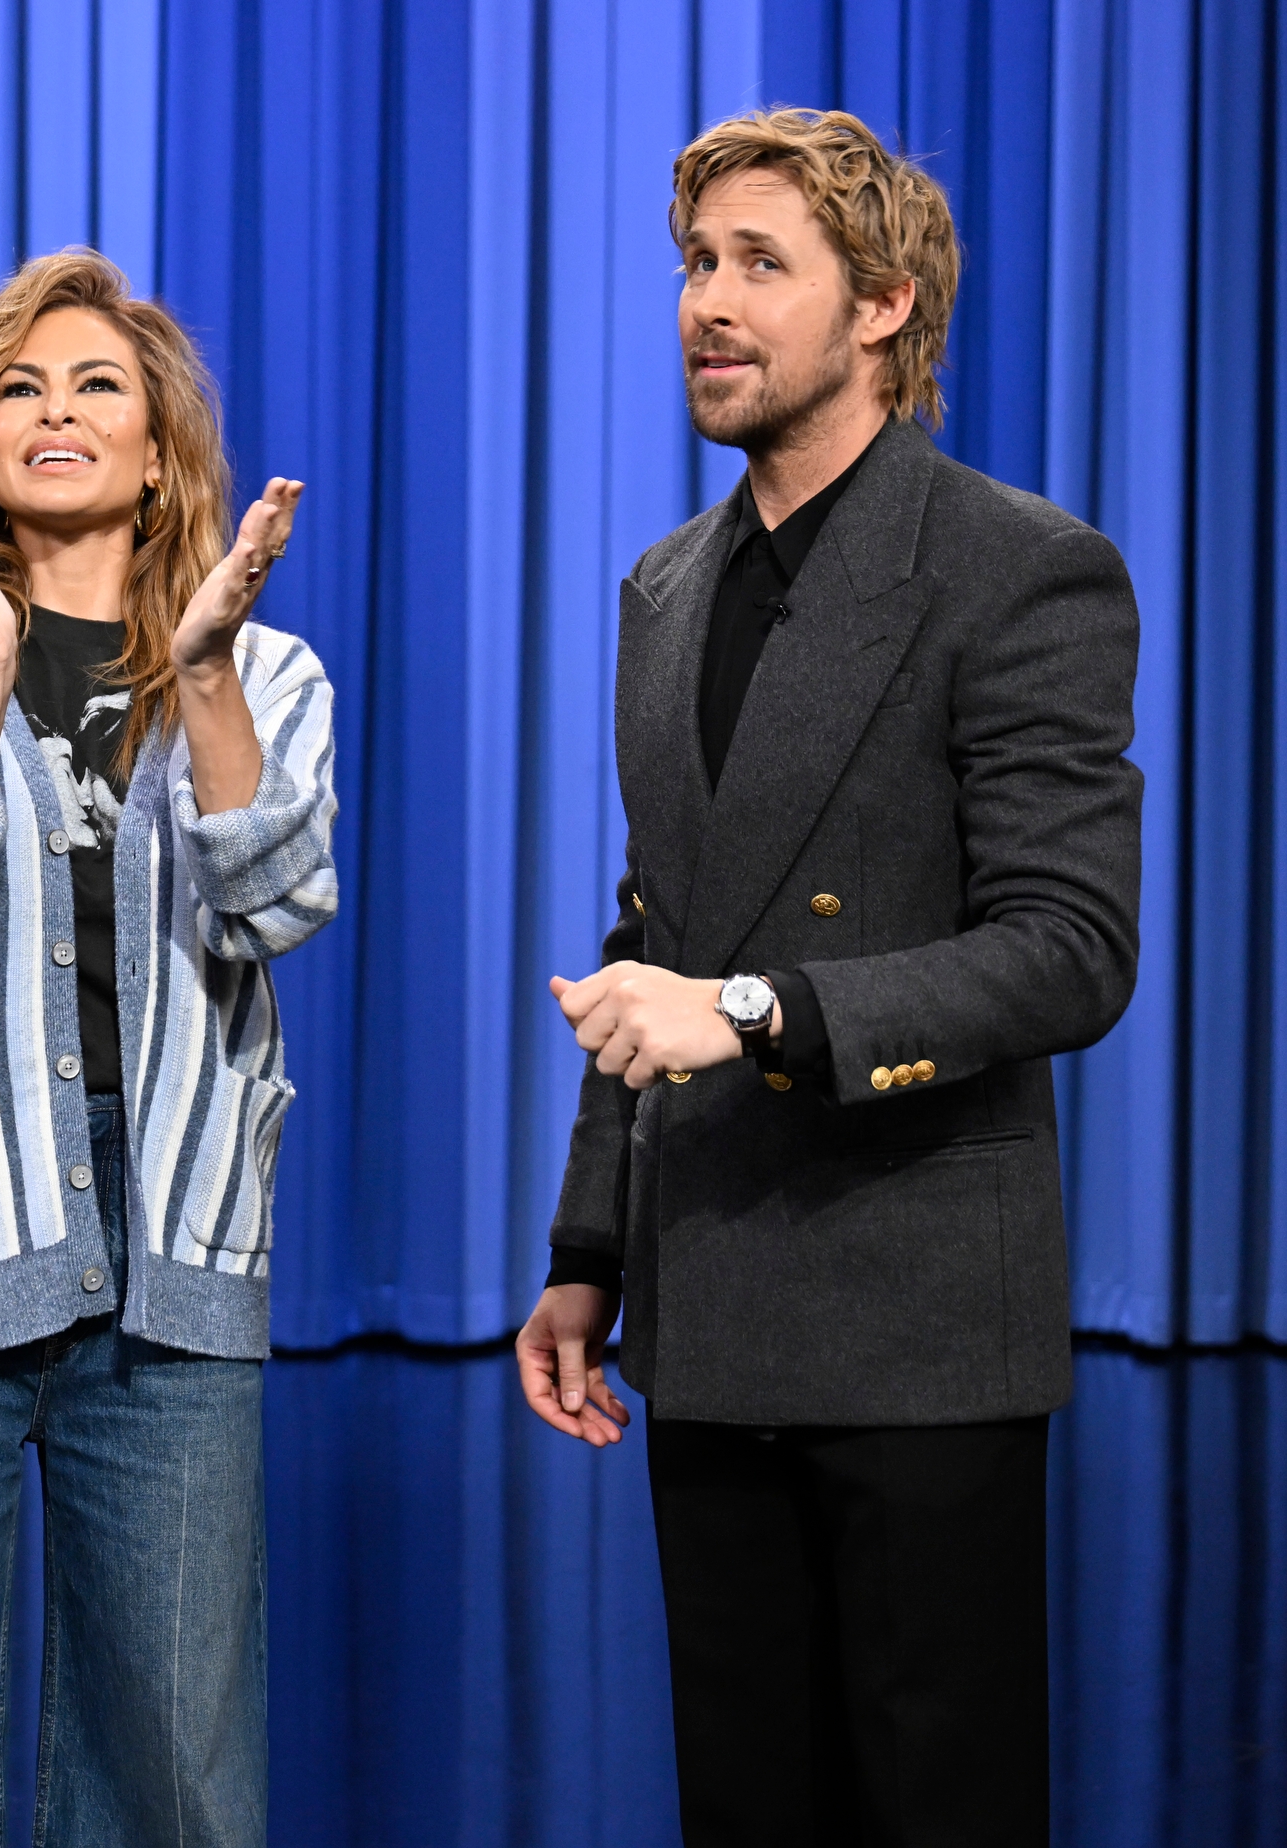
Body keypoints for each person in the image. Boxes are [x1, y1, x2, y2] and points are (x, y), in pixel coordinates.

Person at [516, 107, 1140, 1845]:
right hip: (711, 1299)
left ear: (882, 305)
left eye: (758, 265)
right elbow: (662, 934)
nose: (707, 303)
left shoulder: (1020, 567)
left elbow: (1071, 948)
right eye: (694, 265)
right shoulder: (665, 588)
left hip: (920, 1318)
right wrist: (588, 1249)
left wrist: (763, 1014)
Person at [0, 248, 337, 1847]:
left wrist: (209, 672)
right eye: (21, 387)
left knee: (175, 1752)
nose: (59, 410)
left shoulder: (268, 669)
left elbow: (277, 906)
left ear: (159, 452)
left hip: (172, 1243)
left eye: (99, 385)